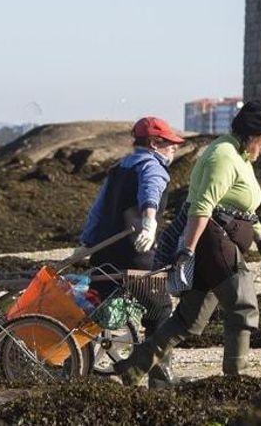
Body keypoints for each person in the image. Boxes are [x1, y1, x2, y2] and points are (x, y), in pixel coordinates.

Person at [115, 100, 261, 384]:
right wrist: (187, 250)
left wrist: (260, 237)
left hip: (223, 240)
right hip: (212, 240)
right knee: (243, 305)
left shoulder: (242, 156)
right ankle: (235, 379)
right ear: (252, 134)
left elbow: (245, 205)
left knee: (188, 321)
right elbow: (201, 206)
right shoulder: (223, 156)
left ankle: (131, 370)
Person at [79, 116, 184, 387]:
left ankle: (71, 356)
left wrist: (86, 243)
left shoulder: (119, 168)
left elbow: (97, 210)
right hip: (135, 254)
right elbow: (151, 192)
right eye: (169, 143)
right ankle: (160, 383)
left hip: (104, 255)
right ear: (154, 143)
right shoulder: (153, 166)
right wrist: (149, 224)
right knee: (160, 312)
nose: (174, 148)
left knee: (95, 310)